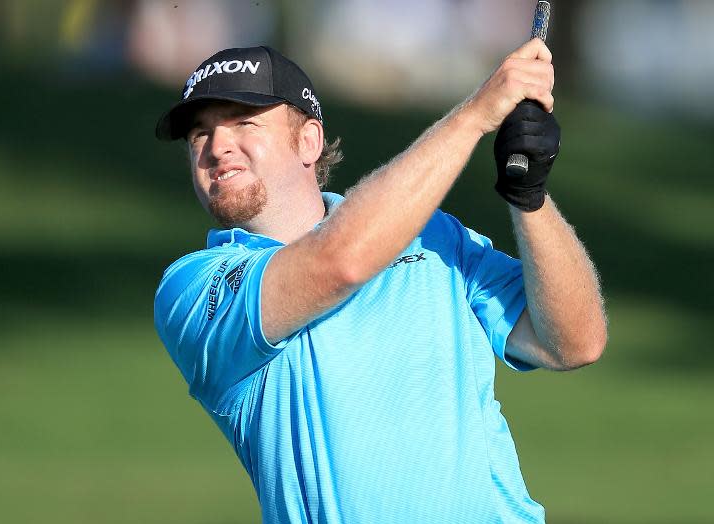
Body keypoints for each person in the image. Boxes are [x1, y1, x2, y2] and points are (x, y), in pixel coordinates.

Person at [153, 42, 606, 523]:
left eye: (243, 121)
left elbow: (575, 342)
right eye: (200, 134)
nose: (216, 147)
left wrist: (529, 197)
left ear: (308, 141)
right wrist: (474, 116)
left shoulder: (435, 237)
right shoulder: (194, 288)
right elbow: (339, 261)